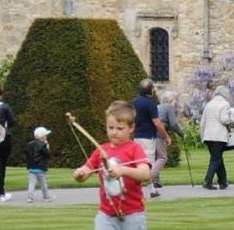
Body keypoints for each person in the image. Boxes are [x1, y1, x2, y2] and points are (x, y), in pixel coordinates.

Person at [72, 100, 151, 229]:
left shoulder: (135, 149)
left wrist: (122, 170)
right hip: (106, 214)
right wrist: (79, 174)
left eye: (120, 128)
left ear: (131, 128)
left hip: (133, 214)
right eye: (110, 127)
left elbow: (145, 173)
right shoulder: (101, 150)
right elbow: (85, 172)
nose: (114, 132)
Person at [131, 79, 170, 198]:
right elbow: (157, 123)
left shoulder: (134, 102)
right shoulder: (150, 103)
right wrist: (166, 136)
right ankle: (142, 190)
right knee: (149, 164)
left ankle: (152, 189)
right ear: (151, 90)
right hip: (148, 137)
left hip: (137, 136)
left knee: (138, 163)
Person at [199, 86, 234, 191]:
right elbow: (224, 119)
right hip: (218, 136)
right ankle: (208, 181)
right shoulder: (225, 104)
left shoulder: (209, 104)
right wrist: (232, 116)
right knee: (216, 159)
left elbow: (202, 122)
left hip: (208, 136)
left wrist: (202, 136)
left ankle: (223, 181)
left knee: (218, 158)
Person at [157, 89, 184, 194]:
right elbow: (173, 124)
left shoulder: (158, 106)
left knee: (156, 158)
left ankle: (156, 181)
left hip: (152, 134)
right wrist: (181, 133)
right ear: (171, 99)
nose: (176, 102)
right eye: (175, 99)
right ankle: (150, 176)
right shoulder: (169, 107)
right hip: (160, 133)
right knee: (163, 157)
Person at [25, 126, 53, 202]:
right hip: (40, 168)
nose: (46, 137)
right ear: (42, 136)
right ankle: (46, 197)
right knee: (43, 184)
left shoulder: (29, 144)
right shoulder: (43, 145)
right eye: (45, 135)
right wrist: (47, 147)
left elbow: (27, 155)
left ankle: (30, 198)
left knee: (31, 183)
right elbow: (47, 155)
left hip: (31, 168)